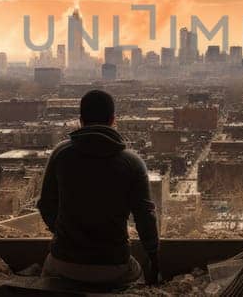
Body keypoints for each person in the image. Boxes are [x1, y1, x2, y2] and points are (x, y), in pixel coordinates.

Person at [37, 89, 160, 287]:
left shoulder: (61, 154)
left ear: (80, 120)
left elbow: (46, 205)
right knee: (140, 278)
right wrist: (154, 258)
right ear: (113, 120)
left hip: (64, 263)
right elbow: (145, 216)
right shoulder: (132, 162)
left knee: (47, 278)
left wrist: (65, 234)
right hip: (113, 265)